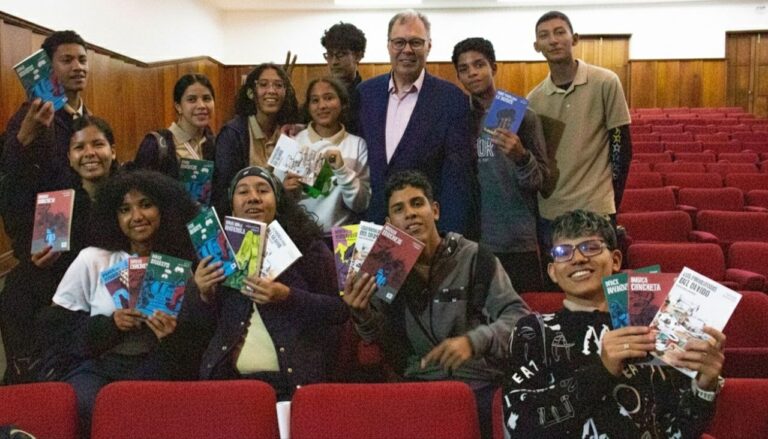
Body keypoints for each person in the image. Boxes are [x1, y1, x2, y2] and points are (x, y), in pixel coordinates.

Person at [502, 209, 724, 437]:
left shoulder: (653, 326)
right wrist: (602, 370)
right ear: (552, 272)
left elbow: (677, 431)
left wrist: (705, 387)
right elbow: (519, 424)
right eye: (563, 252)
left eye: (591, 247)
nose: (578, 259)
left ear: (616, 260)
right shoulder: (533, 330)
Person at [343, 170, 529, 439]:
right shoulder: (385, 266)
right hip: (418, 386)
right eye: (399, 209)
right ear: (389, 225)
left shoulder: (475, 256)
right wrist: (361, 313)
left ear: (435, 211)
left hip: (477, 385)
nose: (410, 213)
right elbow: (378, 338)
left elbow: (519, 317)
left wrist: (474, 341)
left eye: (417, 203)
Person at [179, 166, 347, 399]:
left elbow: (338, 311)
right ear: (232, 206)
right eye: (243, 192)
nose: (253, 198)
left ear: (277, 202)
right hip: (228, 384)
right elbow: (196, 331)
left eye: (262, 190)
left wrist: (287, 295)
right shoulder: (216, 253)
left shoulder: (309, 247)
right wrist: (202, 295)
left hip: (291, 385)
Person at [50, 170, 198, 433]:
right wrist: (111, 325)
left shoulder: (181, 266)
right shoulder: (93, 259)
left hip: (158, 364)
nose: (137, 216)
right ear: (113, 217)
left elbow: (198, 341)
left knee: (145, 411)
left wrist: (172, 337)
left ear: (164, 210)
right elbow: (55, 328)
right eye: (125, 209)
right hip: (99, 365)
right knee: (83, 405)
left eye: (146, 205)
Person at [0, 116, 117, 384]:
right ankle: (26, 369)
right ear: (69, 157)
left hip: (115, 285)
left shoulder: (131, 194)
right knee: (19, 286)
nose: (89, 153)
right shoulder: (58, 201)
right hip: (67, 287)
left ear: (113, 150)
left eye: (98, 144)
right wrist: (37, 260)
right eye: (79, 147)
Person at [357, 10, 478, 239]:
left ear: (429, 46)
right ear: (388, 46)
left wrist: (448, 236)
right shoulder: (365, 94)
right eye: (399, 42)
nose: (407, 50)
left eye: (416, 42)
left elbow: (457, 178)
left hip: (426, 233)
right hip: (372, 228)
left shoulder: (452, 100)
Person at [528, 11, 632, 253]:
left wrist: (612, 199)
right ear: (537, 46)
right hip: (551, 212)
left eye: (559, 32)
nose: (553, 40)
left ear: (574, 39)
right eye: (544, 35)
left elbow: (621, 147)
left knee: (598, 275)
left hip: (596, 209)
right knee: (559, 275)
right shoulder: (533, 100)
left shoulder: (606, 82)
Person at [452, 37, 549, 293]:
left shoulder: (523, 116)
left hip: (518, 239)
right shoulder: (459, 121)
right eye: (464, 69)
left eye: (479, 64)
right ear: (458, 77)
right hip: (476, 239)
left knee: (526, 311)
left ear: (493, 68)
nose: (472, 73)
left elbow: (541, 180)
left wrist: (521, 156)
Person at [275, 77, 370, 234]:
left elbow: (361, 204)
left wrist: (341, 170)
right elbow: (274, 198)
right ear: (308, 107)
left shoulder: (358, 145)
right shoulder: (292, 142)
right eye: (315, 100)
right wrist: (286, 192)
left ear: (342, 103)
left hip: (341, 238)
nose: (322, 106)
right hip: (299, 236)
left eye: (329, 98)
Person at [212, 64, 299, 217]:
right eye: (263, 84)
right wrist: (280, 190)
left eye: (278, 85)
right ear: (251, 92)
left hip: (284, 219)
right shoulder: (233, 134)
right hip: (246, 219)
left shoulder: (290, 132)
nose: (271, 90)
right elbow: (225, 191)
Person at [132, 73, 216, 178]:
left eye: (206, 98)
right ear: (178, 106)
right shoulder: (155, 144)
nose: (201, 106)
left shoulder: (215, 144)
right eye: (191, 99)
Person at [320, 22, 366, 134]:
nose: (334, 62)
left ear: (358, 56)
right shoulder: (319, 95)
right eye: (330, 55)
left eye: (341, 54)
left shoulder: (367, 95)